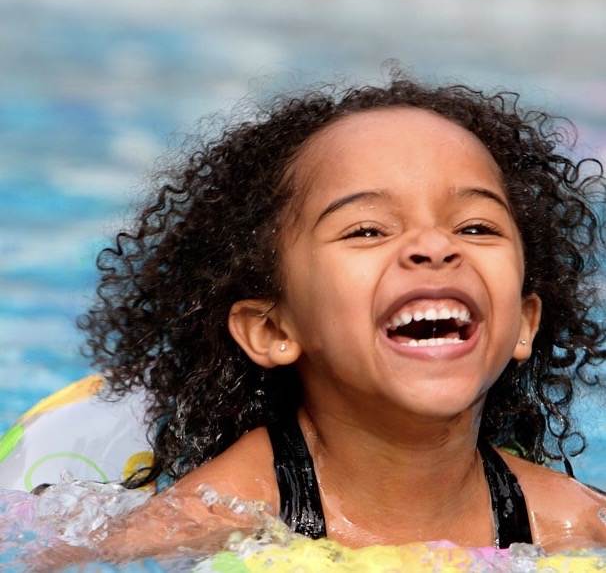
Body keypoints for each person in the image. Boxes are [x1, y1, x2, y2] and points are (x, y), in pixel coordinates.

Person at [74, 72, 606, 560]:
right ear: (273, 329)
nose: (433, 246)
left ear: (524, 322)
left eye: (475, 227)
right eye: (367, 230)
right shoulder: (215, 518)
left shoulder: (570, 523)